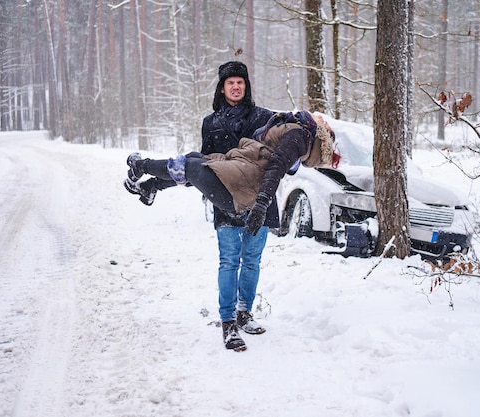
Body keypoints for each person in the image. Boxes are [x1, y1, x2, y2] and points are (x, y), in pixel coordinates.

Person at [124, 110, 336, 351]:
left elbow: (275, 165)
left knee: (193, 167)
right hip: (242, 183)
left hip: (245, 188)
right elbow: (273, 161)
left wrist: (262, 203)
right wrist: (261, 201)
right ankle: (148, 179)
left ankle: (144, 171)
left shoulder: (296, 135)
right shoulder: (297, 133)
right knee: (194, 163)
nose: (323, 120)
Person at [125, 61, 274, 352]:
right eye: (230, 82)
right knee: (230, 260)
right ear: (222, 88)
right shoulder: (212, 122)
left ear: (247, 86)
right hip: (227, 199)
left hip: (259, 199)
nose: (236, 87)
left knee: (253, 260)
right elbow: (200, 171)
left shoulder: (263, 118)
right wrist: (169, 183)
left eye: (240, 82)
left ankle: (245, 312)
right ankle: (228, 322)